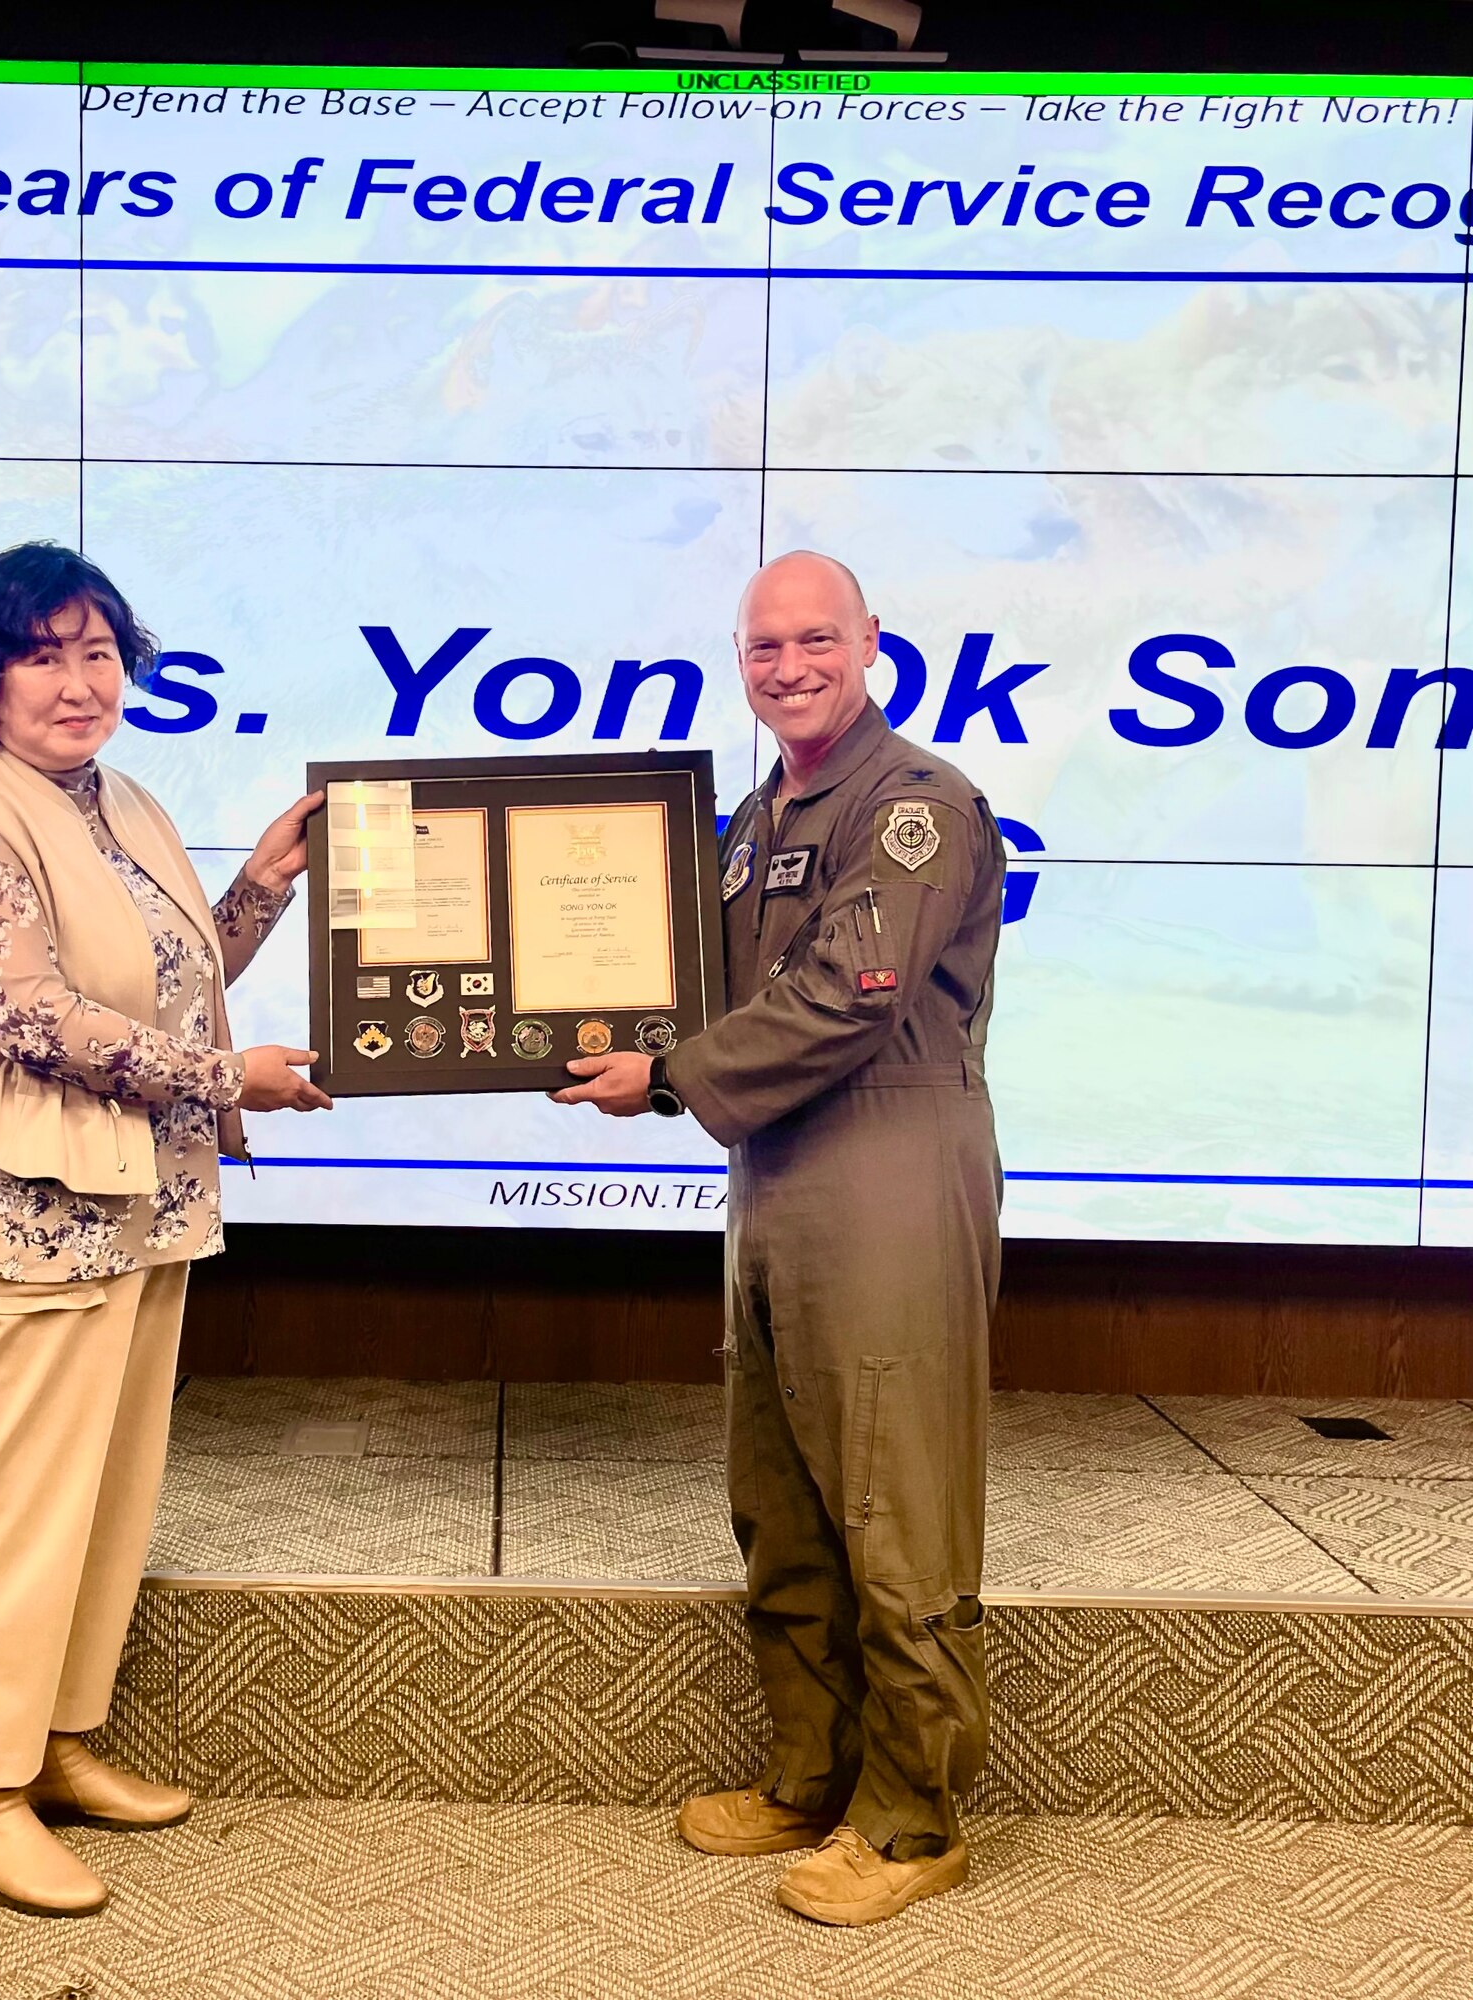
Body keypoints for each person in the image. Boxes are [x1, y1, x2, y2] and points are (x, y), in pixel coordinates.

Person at [551, 550, 1004, 1927]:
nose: (790, 666)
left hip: (886, 1156)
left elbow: (848, 998)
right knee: (785, 1497)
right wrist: (581, 1030)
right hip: (774, 1169)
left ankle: (915, 1820)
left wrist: (673, 1076)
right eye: (764, 647)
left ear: (869, 643)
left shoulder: (916, 805)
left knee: (893, 1502)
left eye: (817, 639)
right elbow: (684, 979)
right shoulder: (754, 818)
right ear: (738, 661)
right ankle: (812, 1773)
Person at [0, 542, 330, 1917]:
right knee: (15, 1509)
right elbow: (35, 1019)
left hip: (131, 1211)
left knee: (106, 1500)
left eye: (99, 653)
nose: (79, 683)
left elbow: (163, 994)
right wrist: (225, 1081)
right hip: (15, 1218)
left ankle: (59, 1745)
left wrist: (256, 887)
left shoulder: (115, 799)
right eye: (43, 654)